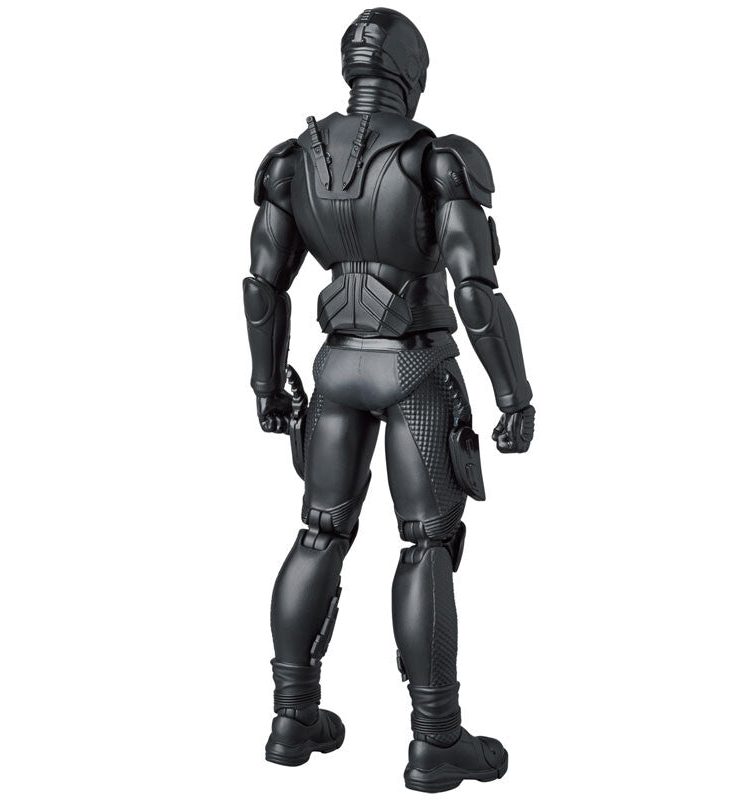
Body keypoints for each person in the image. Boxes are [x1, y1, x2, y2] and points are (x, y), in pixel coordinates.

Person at [243, 8, 535, 792]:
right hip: (415, 367)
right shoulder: (440, 159)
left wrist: (267, 384)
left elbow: (264, 285)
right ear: (412, 71)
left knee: (319, 534)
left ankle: (292, 719)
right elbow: (475, 291)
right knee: (426, 546)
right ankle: (436, 739)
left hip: (337, 368)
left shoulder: (292, 161)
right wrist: (514, 394)